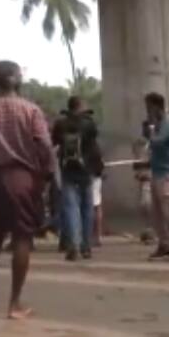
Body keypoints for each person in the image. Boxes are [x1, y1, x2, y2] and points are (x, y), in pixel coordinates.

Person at [0, 61, 53, 320]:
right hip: (23, 178)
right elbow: (45, 147)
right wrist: (47, 174)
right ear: (17, 79)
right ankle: (14, 304)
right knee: (22, 239)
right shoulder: (31, 111)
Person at [52, 96, 100, 261]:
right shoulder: (89, 124)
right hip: (86, 170)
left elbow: (54, 142)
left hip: (68, 170)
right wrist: (98, 168)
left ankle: (73, 245)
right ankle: (86, 246)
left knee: (71, 209)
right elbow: (94, 147)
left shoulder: (60, 124)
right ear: (80, 106)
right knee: (87, 209)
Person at [144, 93, 169, 262]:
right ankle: (164, 243)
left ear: (157, 106)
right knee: (157, 213)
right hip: (157, 172)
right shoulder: (159, 124)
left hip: (168, 173)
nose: (147, 111)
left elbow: (157, 142)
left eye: (149, 107)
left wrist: (151, 130)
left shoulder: (168, 123)